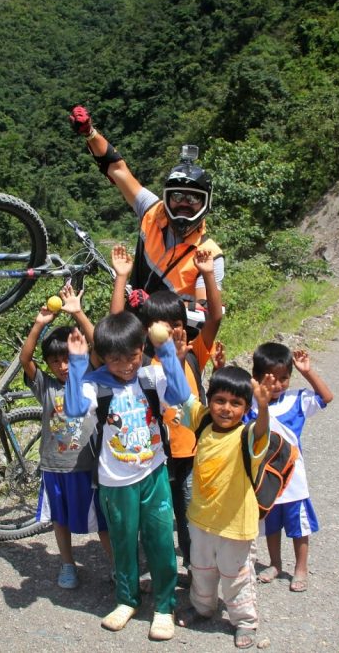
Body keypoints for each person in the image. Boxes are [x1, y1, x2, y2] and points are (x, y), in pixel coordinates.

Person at [64, 313, 192, 641]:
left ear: (142, 348)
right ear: (103, 357)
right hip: (115, 482)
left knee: (161, 540)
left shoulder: (150, 376)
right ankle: (127, 599)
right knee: (123, 543)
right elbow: (75, 408)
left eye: (132, 356)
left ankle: (164, 605)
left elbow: (178, 395)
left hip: (154, 473)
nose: (125, 366)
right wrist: (78, 361)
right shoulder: (95, 384)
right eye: (115, 359)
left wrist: (165, 351)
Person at [110, 244, 224, 585]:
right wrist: (122, 278)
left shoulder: (193, 354)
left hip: (190, 453)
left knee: (191, 516)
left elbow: (215, 316)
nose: (169, 331)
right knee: (156, 518)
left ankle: (196, 570)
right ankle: (161, 571)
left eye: (175, 324)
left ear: (184, 327)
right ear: (145, 330)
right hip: (154, 457)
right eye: (159, 325)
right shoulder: (141, 362)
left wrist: (206, 274)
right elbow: (115, 327)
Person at [68, 105, 224, 303]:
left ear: (206, 203)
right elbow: (118, 170)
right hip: (134, 327)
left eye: (193, 198)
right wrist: (90, 134)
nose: (184, 203)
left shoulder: (210, 255)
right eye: (176, 196)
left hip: (176, 333)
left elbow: (206, 313)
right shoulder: (153, 212)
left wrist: (151, 305)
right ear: (166, 197)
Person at [17, 284, 111, 589]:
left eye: (68, 359)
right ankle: (68, 564)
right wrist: (39, 324)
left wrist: (78, 312)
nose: (62, 366)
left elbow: (100, 343)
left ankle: (116, 566)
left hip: (87, 467)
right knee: (60, 519)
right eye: (55, 361)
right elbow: (25, 359)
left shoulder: (88, 379)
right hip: (55, 466)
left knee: (103, 522)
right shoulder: (46, 386)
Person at [174, 366, 274, 649]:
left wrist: (263, 407)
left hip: (235, 527)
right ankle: (203, 607)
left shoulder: (248, 437)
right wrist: (174, 356)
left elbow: (262, 428)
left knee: (236, 575)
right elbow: (183, 395)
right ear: (209, 400)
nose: (226, 408)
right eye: (219, 400)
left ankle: (244, 620)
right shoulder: (203, 422)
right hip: (201, 520)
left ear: (246, 407)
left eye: (236, 403)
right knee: (202, 568)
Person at [250, 342, 333, 593]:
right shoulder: (252, 404)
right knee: (271, 525)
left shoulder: (297, 400)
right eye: (272, 379)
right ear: (257, 377)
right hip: (266, 481)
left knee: (299, 527)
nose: (278, 385)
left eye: (284, 378)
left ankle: (300, 568)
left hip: (294, 480)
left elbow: (326, 397)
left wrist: (307, 371)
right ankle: (275, 564)